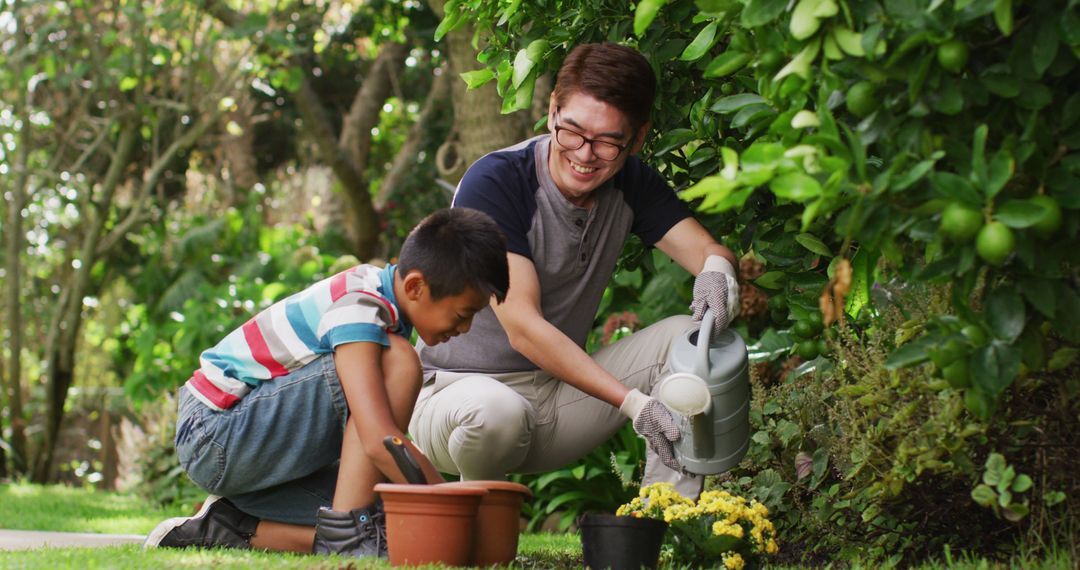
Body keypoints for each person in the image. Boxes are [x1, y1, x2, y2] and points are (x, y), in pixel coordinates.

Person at [408, 42, 740, 500]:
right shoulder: (500, 180)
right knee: (497, 411)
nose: (585, 155)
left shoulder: (631, 183)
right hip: (457, 400)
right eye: (573, 132)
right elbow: (522, 326)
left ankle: (668, 522)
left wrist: (718, 272)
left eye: (608, 141)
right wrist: (633, 403)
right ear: (551, 112)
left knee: (689, 339)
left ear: (637, 139)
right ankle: (477, 519)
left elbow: (707, 250)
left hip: (555, 399)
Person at [143, 207, 509, 558]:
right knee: (399, 362)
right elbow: (377, 435)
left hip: (242, 449)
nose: (465, 329)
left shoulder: (384, 307)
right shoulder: (361, 305)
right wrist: (456, 503)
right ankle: (347, 533)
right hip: (216, 432)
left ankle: (227, 527)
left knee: (393, 517)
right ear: (416, 287)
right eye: (463, 314)